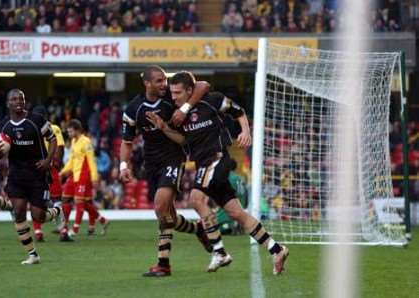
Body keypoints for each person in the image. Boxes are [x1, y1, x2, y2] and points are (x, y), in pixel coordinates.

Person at [147, 71, 289, 275]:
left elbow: (238, 111)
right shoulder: (177, 116)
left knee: (196, 200)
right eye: (172, 92)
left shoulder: (211, 100)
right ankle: (276, 249)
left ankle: (220, 252)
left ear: (189, 90)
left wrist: (245, 132)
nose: (174, 96)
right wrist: (163, 127)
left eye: (178, 92)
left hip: (217, 158)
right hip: (203, 163)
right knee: (236, 213)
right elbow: (183, 141)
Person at [120, 65, 216, 277]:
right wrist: (124, 165)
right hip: (151, 164)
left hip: (173, 159)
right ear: (147, 83)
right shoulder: (134, 108)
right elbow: (127, 141)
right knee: (165, 215)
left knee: (160, 205)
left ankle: (163, 264)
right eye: (159, 81)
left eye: (165, 80)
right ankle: (198, 229)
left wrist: (183, 109)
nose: (164, 84)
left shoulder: (172, 101)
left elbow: (203, 85)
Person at [0, 89, 63, 265]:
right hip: (17, 175)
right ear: (8, 103)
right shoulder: (2, 126)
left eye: (21, 99)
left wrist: (48, 160)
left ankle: (57, 211)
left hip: (38, 174)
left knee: (38, 216)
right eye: (14, 99)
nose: (18, 102)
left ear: (25, 102)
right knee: (18, 212)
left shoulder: (36, 120)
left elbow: (53, 139)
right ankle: (32, 254)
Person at [60, 119, 109, 237]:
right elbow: (71, 160)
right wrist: (63, 172)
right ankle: (102, 220)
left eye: (71, 131)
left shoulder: (86, 142)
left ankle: (75, 229)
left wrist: (94, 177)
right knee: (67, 199)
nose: (69, 134)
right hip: (74, 175)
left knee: (79, 202)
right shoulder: (73, 141)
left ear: (77, 130)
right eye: (68, 132)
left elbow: (91, 161)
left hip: (84, 175)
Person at [31, 106, 71, 242]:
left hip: (34, 166)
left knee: (35, 200)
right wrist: (56, 163)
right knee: (57, 199)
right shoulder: (53, 128)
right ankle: (63, 231)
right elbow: (59, 146)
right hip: (49, 166)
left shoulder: (29, 128)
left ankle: (37, 232)